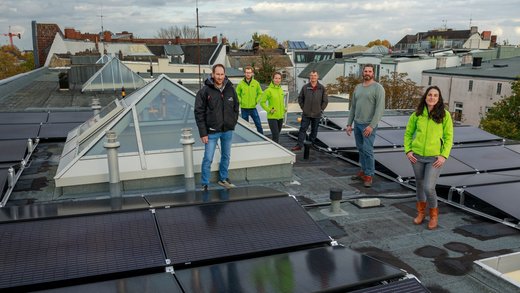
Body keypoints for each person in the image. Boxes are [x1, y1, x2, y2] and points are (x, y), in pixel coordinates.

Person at [404, 85, 453, 230]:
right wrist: (408, 150)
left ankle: (433, 215)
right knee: (419, 185)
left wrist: (444, 156)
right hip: (417, 157)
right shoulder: (417, 114)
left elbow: (449, 137)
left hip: (434, 158)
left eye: (435, 95)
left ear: (439, 99)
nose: (432, 97)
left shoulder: (445, 115)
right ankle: (421, 213)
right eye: (430, 94)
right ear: (425, 97)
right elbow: (407, 134)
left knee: (429, 187)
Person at [194, 64, 239, 191]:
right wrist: (203, 133)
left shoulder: (230, 89)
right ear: (213, 74)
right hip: (211, 132)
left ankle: (223, 179)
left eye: (222, 74)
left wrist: (233, 122)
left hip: (227, 130)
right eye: (217, 74)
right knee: (208, 158)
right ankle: (205, 183)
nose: (220, 77)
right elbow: (199, 112)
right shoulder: (204, 91)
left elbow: (236, 107)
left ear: (225, 75)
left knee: (226, 156)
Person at [345, 64, 385, 188]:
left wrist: (371, 126)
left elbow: (380, 109)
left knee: (368, 150)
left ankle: (369, 174)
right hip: (357, 124)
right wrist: (349, 124)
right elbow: (353, 107)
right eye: (365, 71)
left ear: (373, 73)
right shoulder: (358, 88)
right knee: (361, 149)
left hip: (368, 126)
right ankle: (363, 171)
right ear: (362, 73)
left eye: (370, 71)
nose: (367, 73)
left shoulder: (378, 88)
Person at [291, 70, 328, 151]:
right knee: (302, 129)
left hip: (317, 114)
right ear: (309, 77)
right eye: (311, 75)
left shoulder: (321, 88)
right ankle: (299, 145)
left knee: (314, 130)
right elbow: (300, 98)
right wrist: (303, 108)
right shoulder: (305, 87)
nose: (313, 77)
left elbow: (325, 100)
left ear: (318, 77)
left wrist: (321, 109)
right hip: (306, 113)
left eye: (315, 75)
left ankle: (311, 144)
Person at [236, 65, 264, 134]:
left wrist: (256, 101)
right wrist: (240, 101)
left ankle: (262, 137)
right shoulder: (240, 84)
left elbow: (260, 93)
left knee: (258, 124)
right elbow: (237, 93)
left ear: (252, 73)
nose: (248, 74)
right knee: (245, 126)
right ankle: (247, 138)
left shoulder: (256, 83)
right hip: (244, 108)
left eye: (249, 72)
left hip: (253, 107)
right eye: (247, 72)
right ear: (244, 73)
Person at [260, 72, 286, 143]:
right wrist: (269, 110)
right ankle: (276, 151)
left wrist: (284, 109)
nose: (277, 80)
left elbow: (280, 102)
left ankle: (273, 147)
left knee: (277, 134)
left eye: (279, 78)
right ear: (273, 79)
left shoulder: (281, 90)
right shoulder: (268, 90)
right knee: (275, 135)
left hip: (280, 116)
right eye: (276, 78)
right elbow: (262, 102)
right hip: (272, 117)